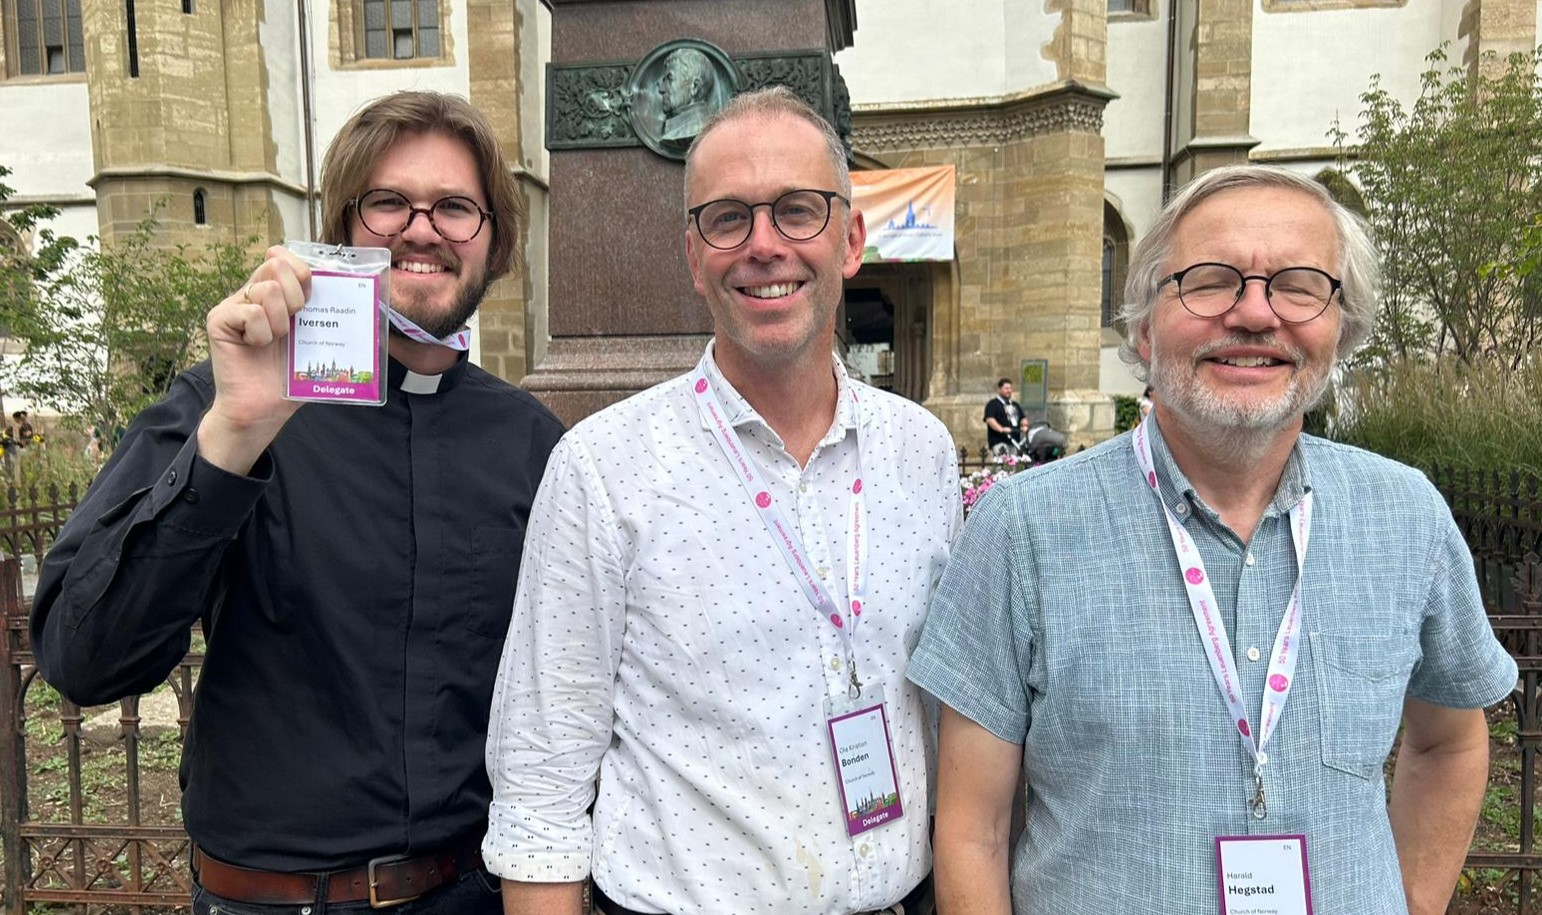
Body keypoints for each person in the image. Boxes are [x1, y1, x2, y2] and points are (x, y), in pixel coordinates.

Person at [910, 165, 1516, 915]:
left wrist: (1411, 902)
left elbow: (1449, 743)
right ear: (1141, 324)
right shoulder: (1023, 531)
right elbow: (975, 829)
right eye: (1211, 279)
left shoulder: (1406, 516)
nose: (1255, 313)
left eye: (1299, 283)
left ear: (1343, 327)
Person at [30, 91, 565, 914]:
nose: (422, 229)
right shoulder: (228, 404)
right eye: (388, 202)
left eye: (456, 207)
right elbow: (84, 659)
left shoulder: (530, 442)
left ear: (495, 244)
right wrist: (232, 439)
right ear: (343, 228)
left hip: (473, 895)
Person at [485, 87, 961, 915]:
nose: (764, 245)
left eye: (797, 211)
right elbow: (542, 772)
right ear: (692, 254)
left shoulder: (921, 453)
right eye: (728, 218)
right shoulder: (604, 469)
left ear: (850, 239)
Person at [657, 47, 717, 144]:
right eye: (664, 80)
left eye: (669, 79)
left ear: (694, 87)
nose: (661, 89)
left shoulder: (698, 129)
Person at [983, 378, 1026, 453]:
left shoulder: (1015, 404)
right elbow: (990, 420)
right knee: (1003, 463)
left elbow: (1022, 418)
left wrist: (1024, 425)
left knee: (1015, 463)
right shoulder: (993, 404)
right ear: (999, 389)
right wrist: (1002, 429)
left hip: (1014, 441)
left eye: (1010, 388)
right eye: (1006, 388)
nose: (1009, 391)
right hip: (999, 441)